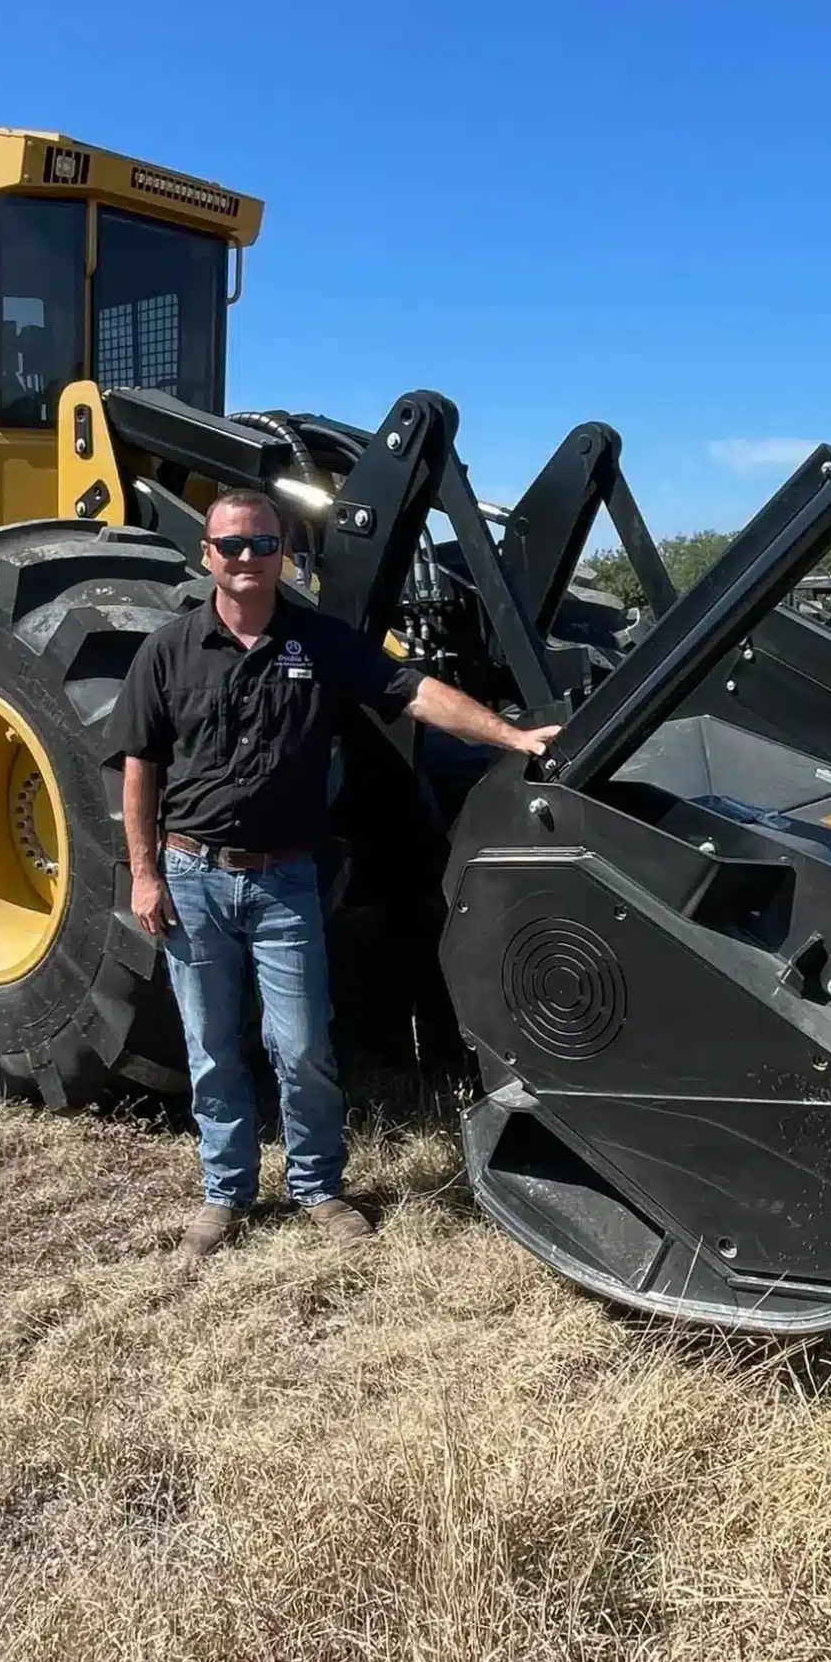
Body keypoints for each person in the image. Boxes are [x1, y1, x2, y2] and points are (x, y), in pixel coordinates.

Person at [117, 488, 562, 1262]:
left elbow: (415, 693)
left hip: (286, 880)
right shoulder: (169, 651)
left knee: (301, 1044)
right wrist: (145, 874)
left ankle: (319, 1187)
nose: (247, 558)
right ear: (207, 556)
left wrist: (510, 736)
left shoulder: (319, 643)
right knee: (213, 1045)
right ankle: (226, 1194)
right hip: (191, 877)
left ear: (281, 552)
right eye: (232, 546)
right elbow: (140, 768)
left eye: (262, 543)